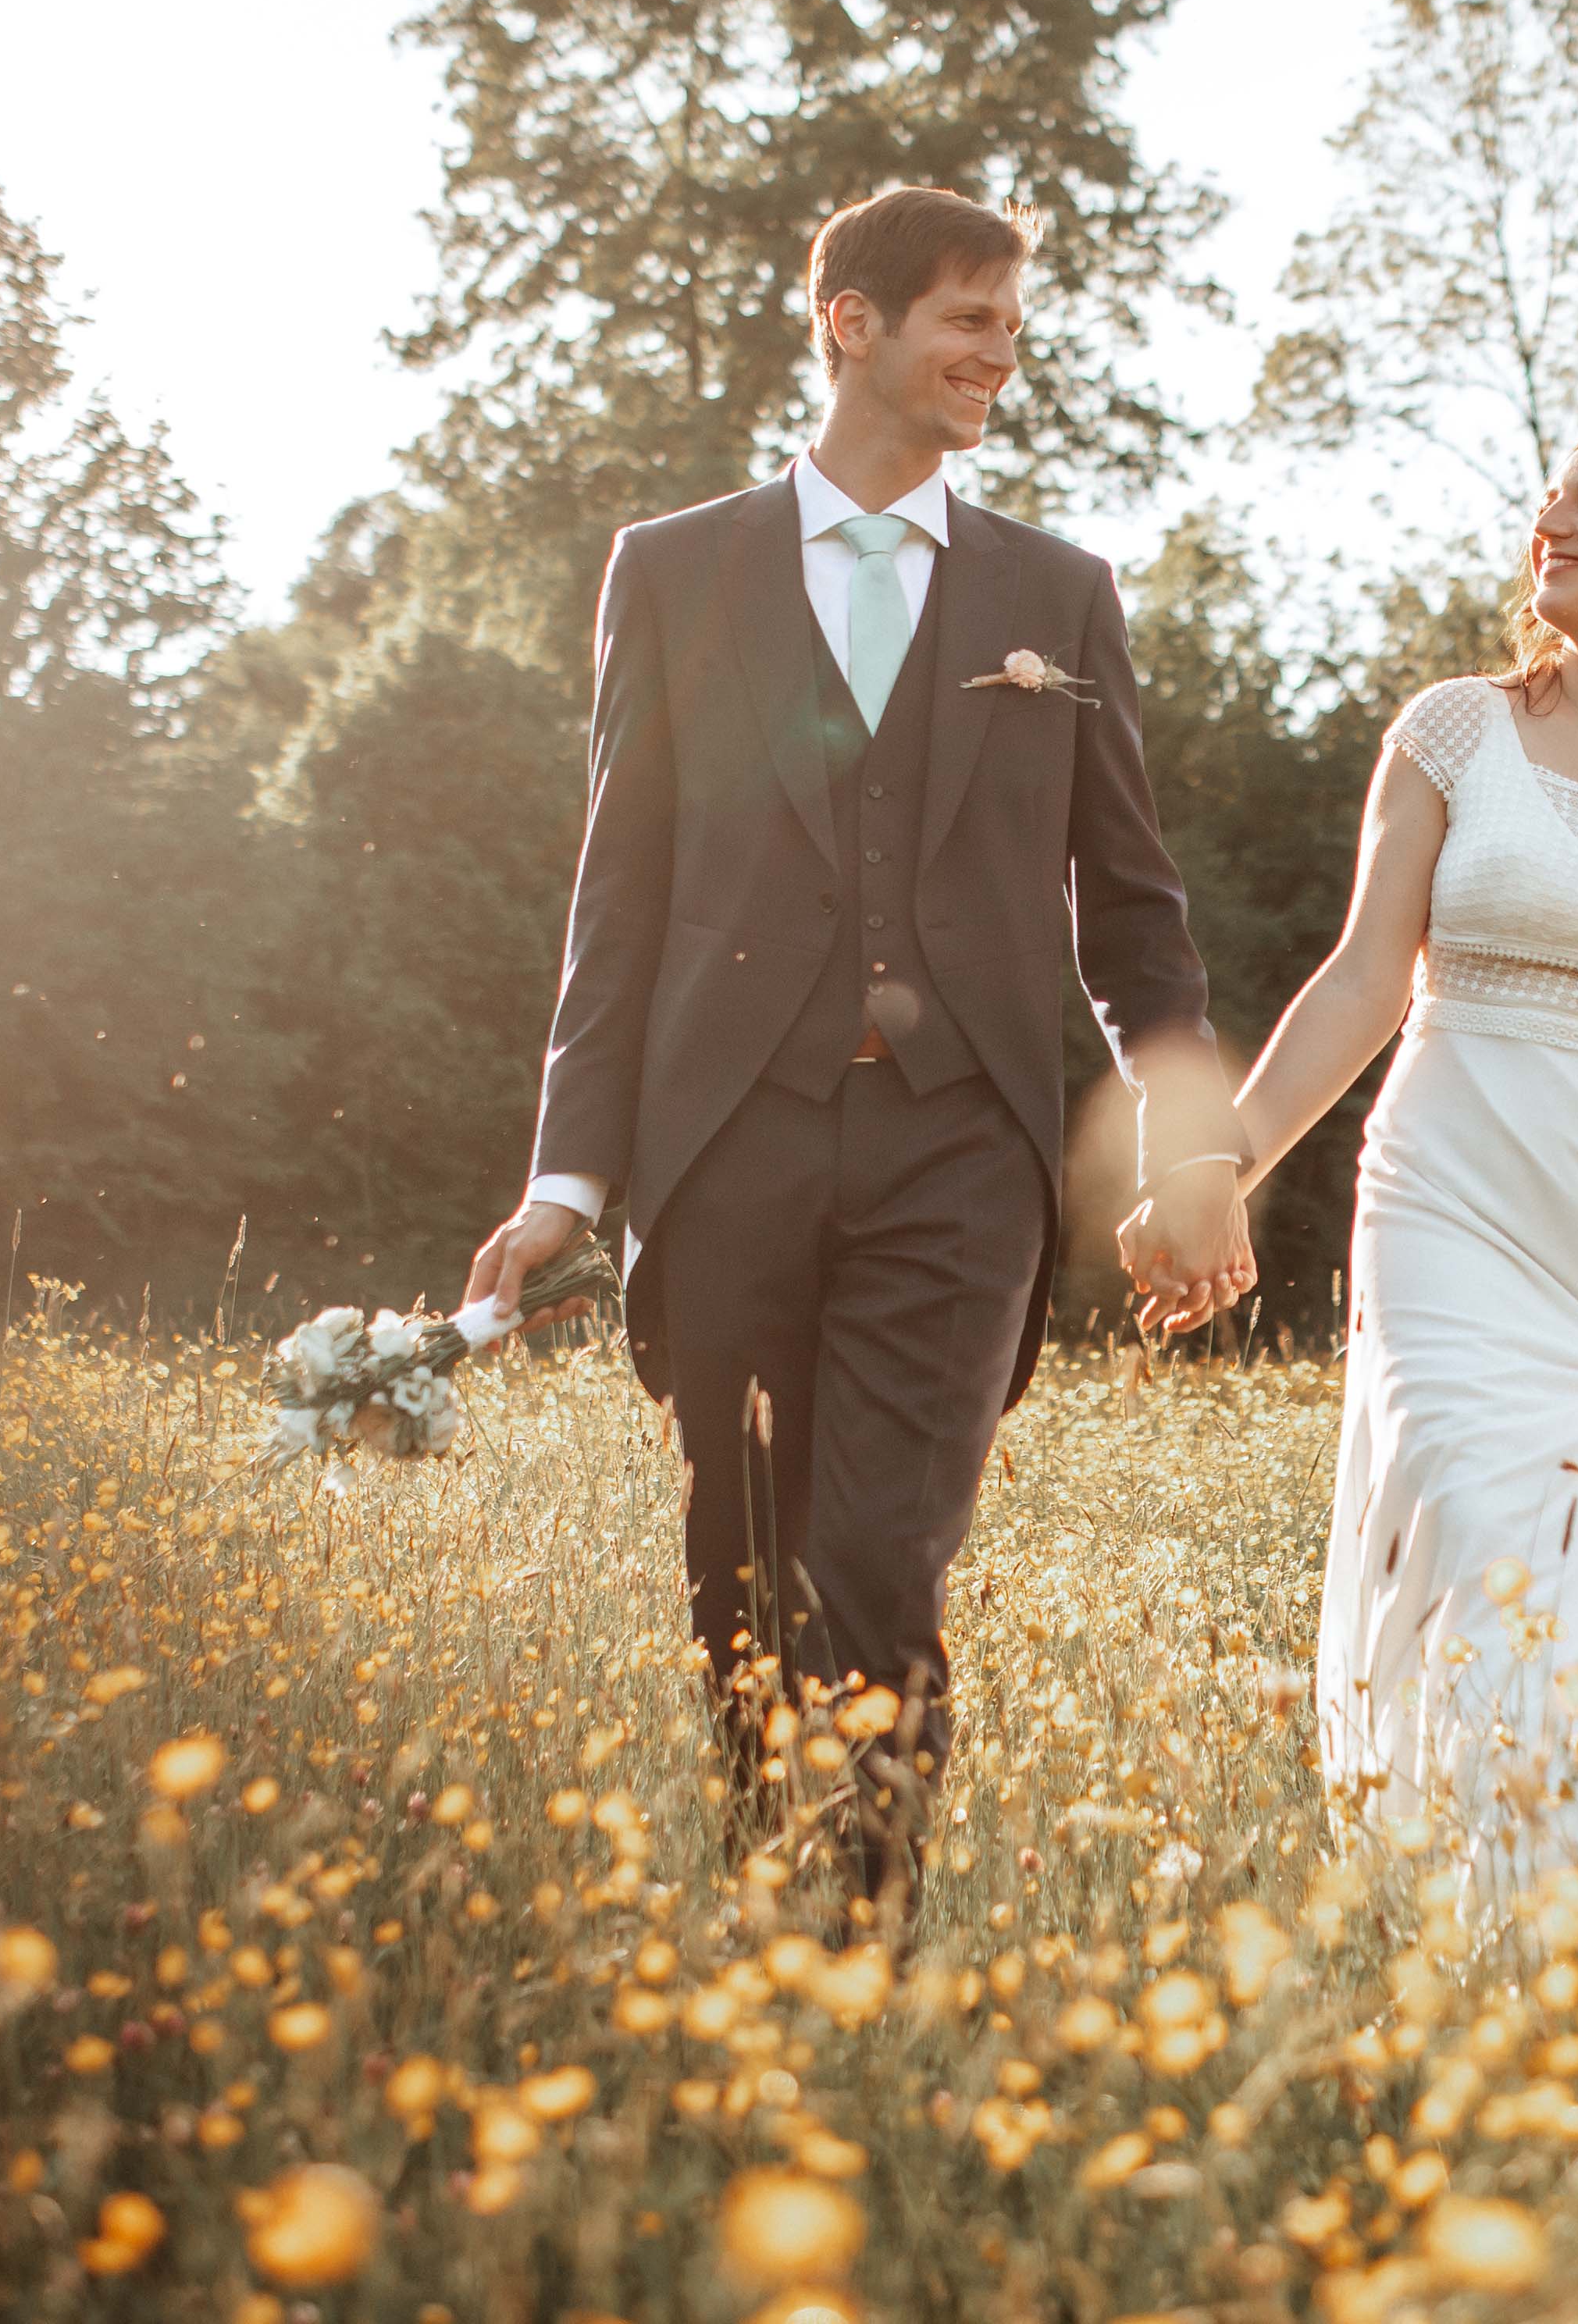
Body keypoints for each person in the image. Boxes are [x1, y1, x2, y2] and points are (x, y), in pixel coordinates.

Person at [465, 185, 1253, 1913]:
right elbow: (624, 889)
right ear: (854, 323)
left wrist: (1195, 1150)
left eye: (1010, 325)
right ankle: (777, 1931)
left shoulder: (1060, 594)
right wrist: (570, 1179)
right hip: (727, 1148)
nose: (1000, 354)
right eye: (968, 320)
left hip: (963, 1160)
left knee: (879, 1562)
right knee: (741, 1584)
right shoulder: (675, 572)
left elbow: (1133, 912)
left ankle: (862, 1952)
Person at [1163, 417, 1578, 1895]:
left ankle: (1531, 1945)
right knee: (1465, 1503)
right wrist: (1228, 1167)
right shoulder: (1455, 730)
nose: (1555, 522)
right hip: (1452, 1195)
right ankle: (1440, 1889)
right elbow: (1359, 982)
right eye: (1547, 501)